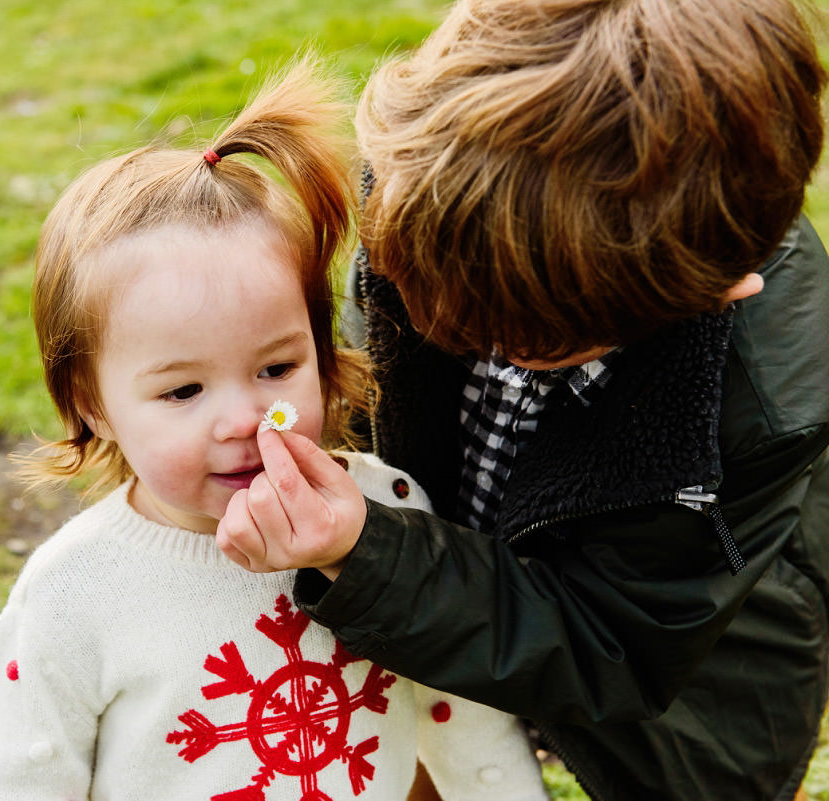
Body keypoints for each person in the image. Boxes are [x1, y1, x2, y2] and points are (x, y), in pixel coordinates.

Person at [215, 2, 829, 800]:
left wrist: (369, 553)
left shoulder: (762, 403)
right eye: (418, 289)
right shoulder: (428, 190)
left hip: (682, 666)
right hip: (459, 580)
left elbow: (610, 639)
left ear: (714, 293)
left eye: (525, 337)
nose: (455, 335)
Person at [0, 59, 548, 801]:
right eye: (183, 389)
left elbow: (460, 714)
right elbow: (24, 780)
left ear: (324, 350)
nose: (244, 419)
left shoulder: (388, 515)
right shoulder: (70, 596)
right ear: (92, 403)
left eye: (276, 368)